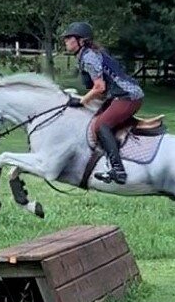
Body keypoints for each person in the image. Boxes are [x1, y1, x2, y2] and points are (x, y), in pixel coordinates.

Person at [61, 21, 144, 185]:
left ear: (81, 40)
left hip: (128, 97)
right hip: (119, 95)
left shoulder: (89, 57)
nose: (65, 40)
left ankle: (118, 170)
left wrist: (81, 101)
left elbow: (100, 87)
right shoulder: (87, 54)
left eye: (69, 37)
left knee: (100, 125)